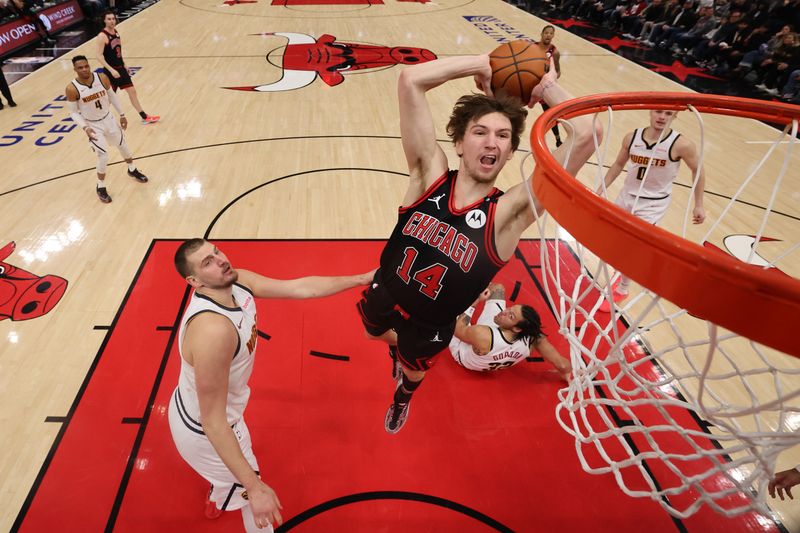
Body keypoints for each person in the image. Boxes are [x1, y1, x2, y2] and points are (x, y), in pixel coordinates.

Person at [356, 54, 600, 434]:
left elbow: (587, 134)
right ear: (457, 142)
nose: (492, 142)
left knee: (412, 372)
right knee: (372, 331)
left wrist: (543, 86)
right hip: (386, 288)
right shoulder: (428, 175)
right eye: (480, 132)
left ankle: (403, 395)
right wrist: (482, 63)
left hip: (433, 323)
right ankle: (394, 347)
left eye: (503, 136)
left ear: (510, 150)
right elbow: (410, 80)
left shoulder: (510, 213)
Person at [169, 238, 373, 532]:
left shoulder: (238, 283)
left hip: (208, 412)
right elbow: (213, 422)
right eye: (208, 263)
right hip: (204, 430)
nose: (221, 260)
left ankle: (220, 492)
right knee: (259, 504)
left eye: (216, 252)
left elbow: (300, 288)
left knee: (237, 481)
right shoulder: (213, 332)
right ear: (194, 281)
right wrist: (255, 487)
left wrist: (360, 279)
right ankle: (229, 489)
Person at [597, 109, 705, 309]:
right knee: (614, 241)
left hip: (653, 203)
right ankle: (617, 275)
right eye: (658, 112)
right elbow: (618, 164)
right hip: (627, 195)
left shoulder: (681, 144)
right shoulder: (632, 138)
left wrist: (699, 204)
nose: (662, 117)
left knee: (633, 247)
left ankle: (622, 288)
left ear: (675, 116)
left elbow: (697, 170)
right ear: (650, 112)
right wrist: (600, 189)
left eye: (668, 113)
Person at [66, 55, 149, 203]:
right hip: (92, 125)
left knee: (123, 146)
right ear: (75, 69)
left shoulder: (102, 78)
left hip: (108, 119)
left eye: (86, 66)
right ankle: (101, 187)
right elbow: (73, 112)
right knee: (103, 156)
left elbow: (112, 96)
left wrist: (122, 115)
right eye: (80, 67)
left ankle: (132, 169)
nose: (84, 69)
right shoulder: (72, 88)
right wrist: (85, 127)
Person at [449, 283, 571, 379]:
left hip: (462, 354)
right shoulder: (533, 338)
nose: (504, 312)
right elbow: (563, 365)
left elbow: (457, 330)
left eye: (511, 316)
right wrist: (567, 372)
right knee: (497, 289)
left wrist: (475, 300)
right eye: (510, 308)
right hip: (494, 342)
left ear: (517, 328)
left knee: (452, 299)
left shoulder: (482, 334)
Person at [96, 11, 160, 125]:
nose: (112, 21)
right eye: (109, 19)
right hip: (111, 72)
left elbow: (118, 52)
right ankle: (99, 120)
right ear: (104, 20)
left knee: (132, 92)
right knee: (109, 99)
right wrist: (111, 70)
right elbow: (98, 56)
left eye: (113, 18)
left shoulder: (116, 32)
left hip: (120, 69)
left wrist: (124, 64)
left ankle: (144, 117)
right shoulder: (102, 36)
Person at [534, 26, 563, 147]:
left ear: (553, 36)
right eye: (546, 33)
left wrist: (551, 77)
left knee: (549, 113)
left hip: (544, 86)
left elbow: (558, 72)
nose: (548, 35)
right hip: (531, 82)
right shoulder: (533, 47)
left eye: (551, 33)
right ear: (541, 34)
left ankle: (558, 139)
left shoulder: (554, 52)